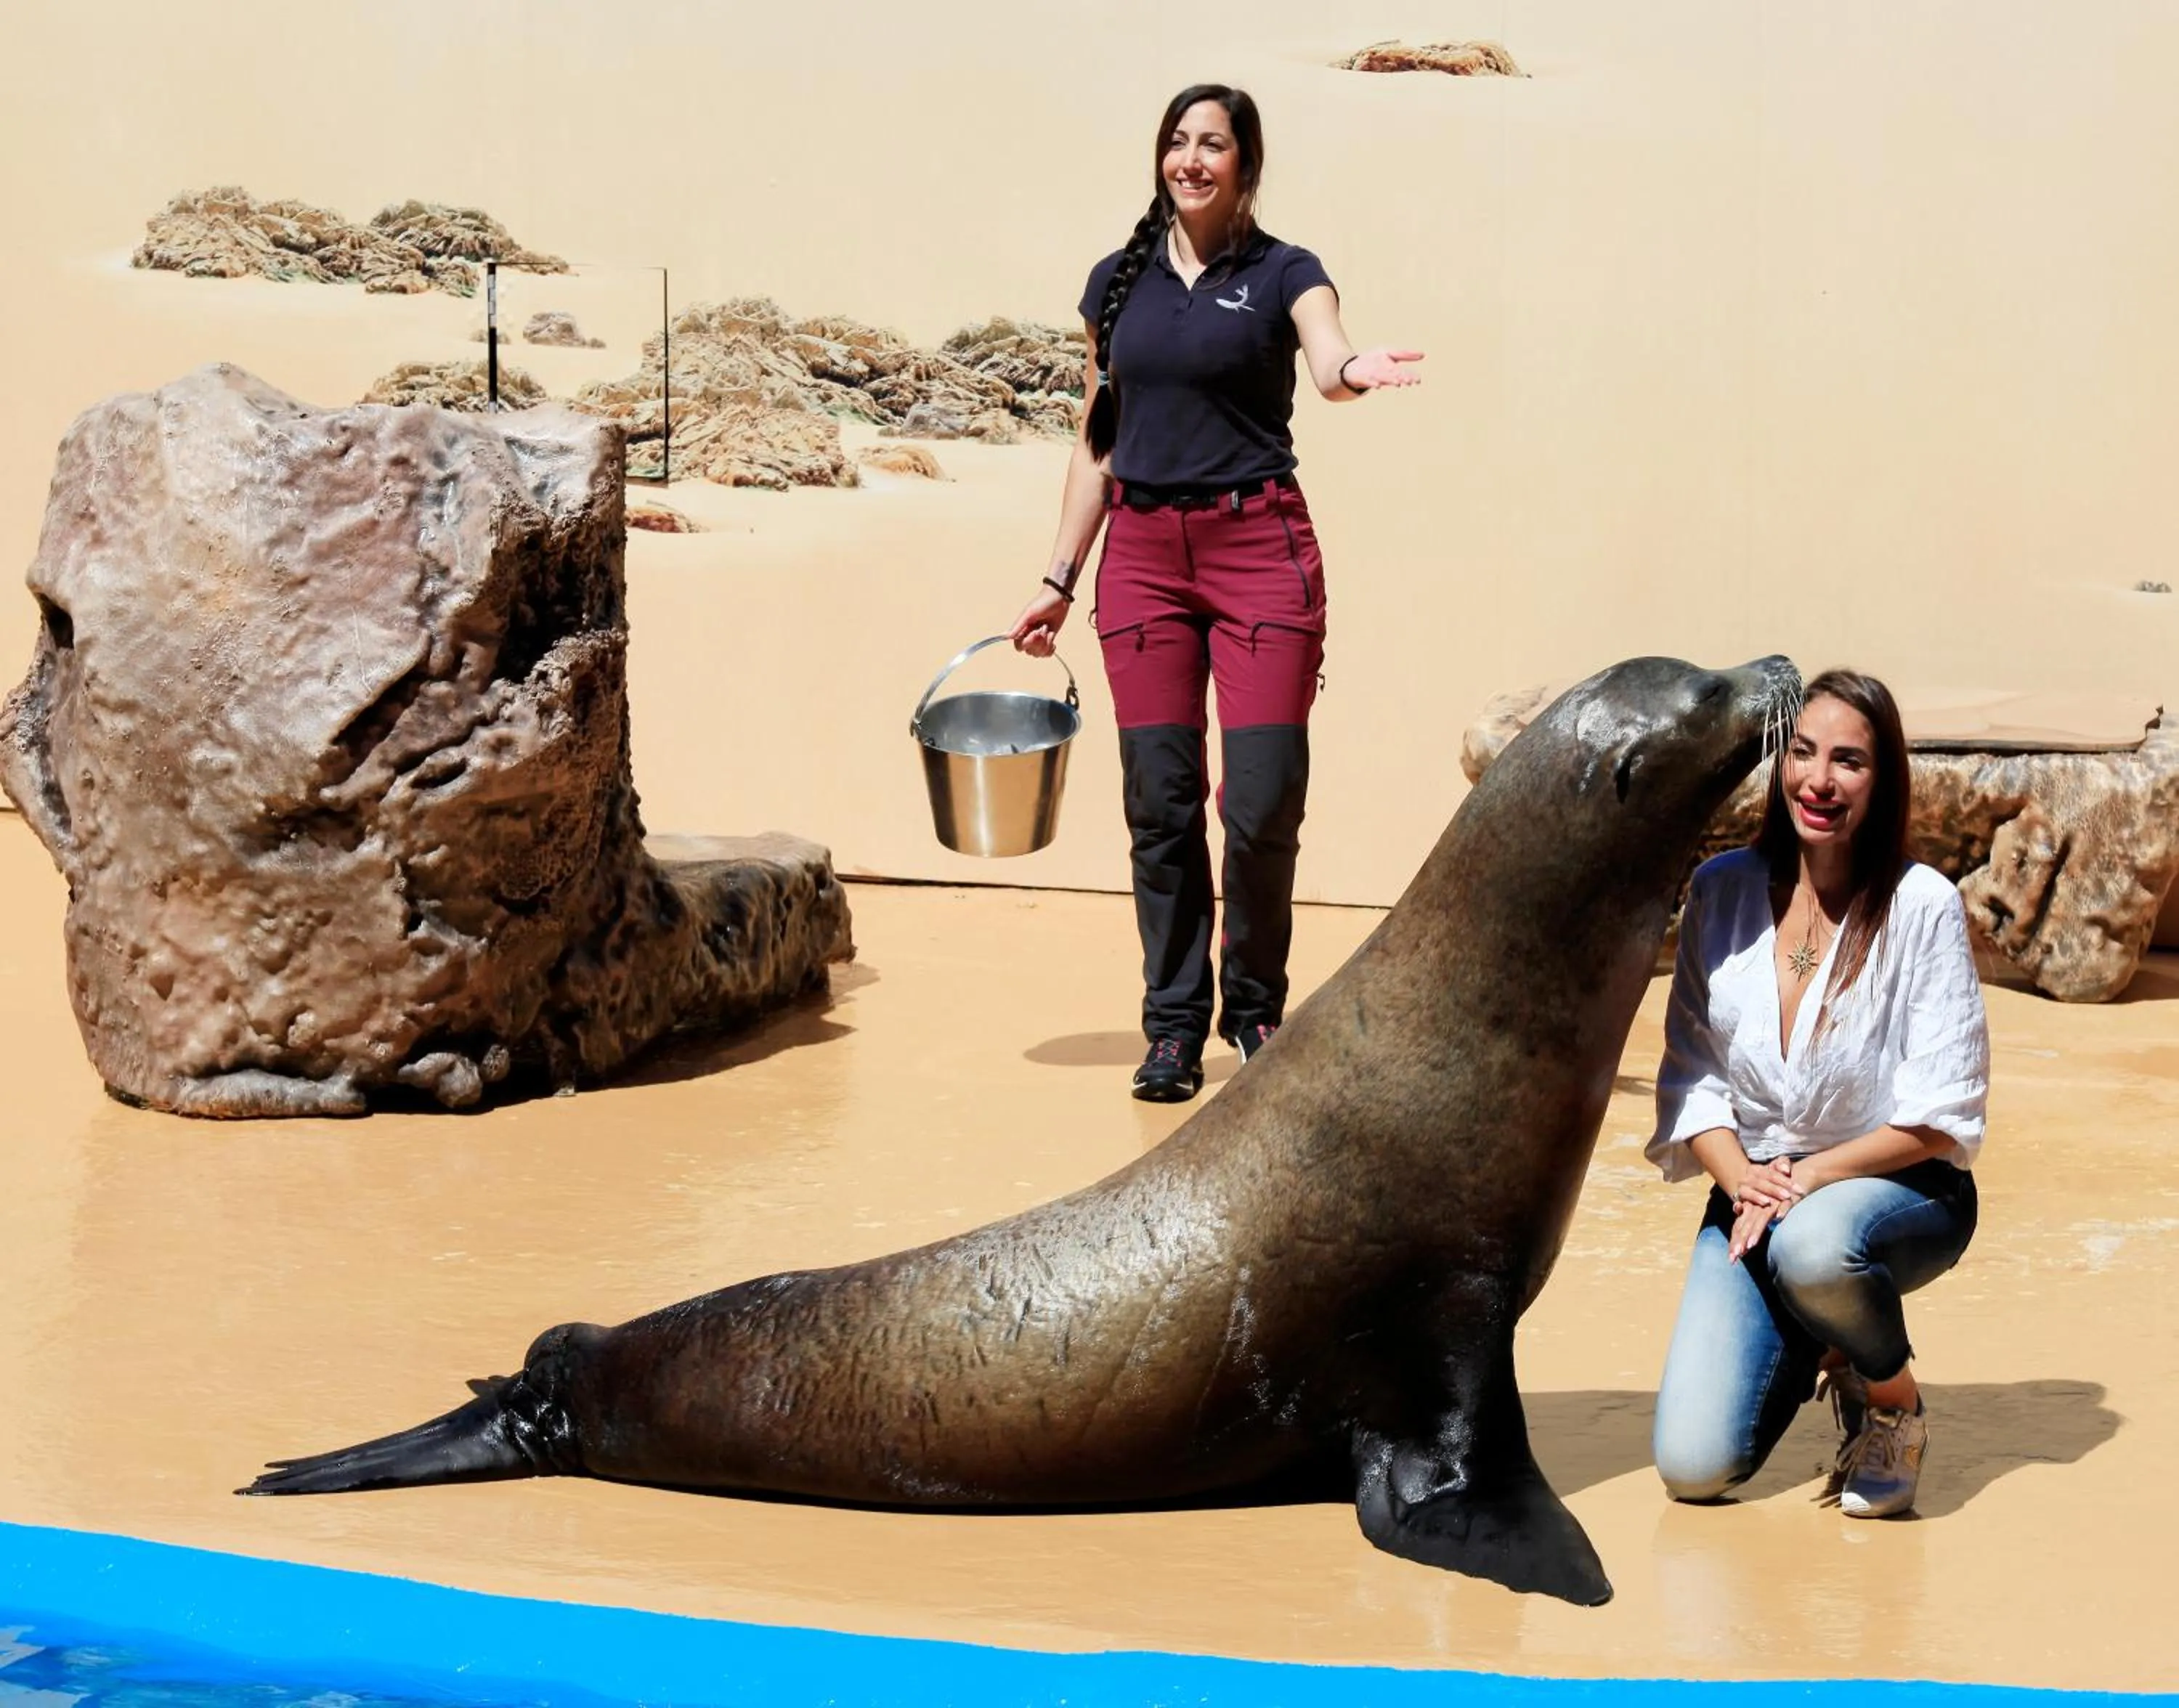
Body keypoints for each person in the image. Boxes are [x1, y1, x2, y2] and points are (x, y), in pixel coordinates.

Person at [1007, 82, 1421, 1102]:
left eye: (1214, 145)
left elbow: (1324, 362)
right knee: (1161, 800)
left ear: (1246, 163)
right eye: (1178, 143)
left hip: (1258, 548)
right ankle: (1174, 1025)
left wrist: (1353, 368)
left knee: (1263, 802)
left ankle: (1257, 1007)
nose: (1192, 160)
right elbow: (1097, 441)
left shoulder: (1287, 273)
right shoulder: (1118, 282)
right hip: (1143, 555)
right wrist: (1059, 578)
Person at [1647, 668, 1989, 1518]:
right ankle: (1826, 1330)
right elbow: (1693, 1077)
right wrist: (1741, 1183)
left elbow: (1940, 1115)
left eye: (1849, 762)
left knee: (1814, 1249)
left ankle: (1893, 1403)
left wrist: (1804, 1179)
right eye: (1802, 754)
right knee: (1693, 1468)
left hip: (1895, 1193)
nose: (1819, 781)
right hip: (1756, 1192)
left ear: (1885, 781)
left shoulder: (1923, 907)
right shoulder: (1721, 892)